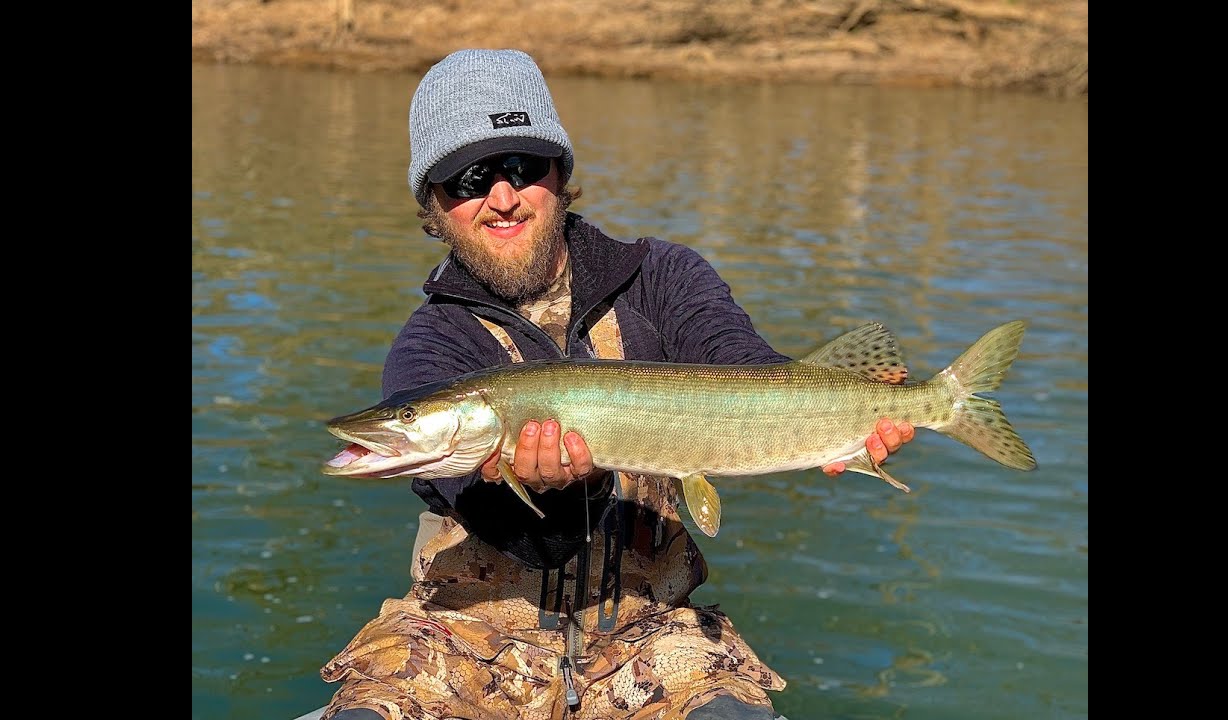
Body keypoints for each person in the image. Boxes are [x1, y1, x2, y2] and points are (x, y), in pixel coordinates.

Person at [316, 48, 915, 720]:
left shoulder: (663, 279)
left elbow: (739, 359)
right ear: (434, 206)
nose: (503, 197)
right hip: (462, 636)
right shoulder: (431, 348)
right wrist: (557, 488)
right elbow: (516, 533)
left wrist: (846, 415)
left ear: (561, 174)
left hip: (654, 634)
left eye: (522, 166)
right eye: (468, 178)